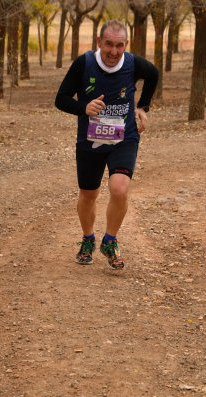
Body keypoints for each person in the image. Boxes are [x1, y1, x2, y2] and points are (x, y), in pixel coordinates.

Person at [55, 20, 159, 270]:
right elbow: (60, 99)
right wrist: (84, 108)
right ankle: (88, 239)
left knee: (120, 188)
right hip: (90, 139)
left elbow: (153, 74)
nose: (114, 51)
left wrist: (143, 106)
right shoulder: (85, 63)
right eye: (109, 44)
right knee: (89, 194)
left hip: (124, 138)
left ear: (126, 45)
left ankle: (110, 240)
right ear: (99, 42)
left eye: (119, 45)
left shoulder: (133, 63)